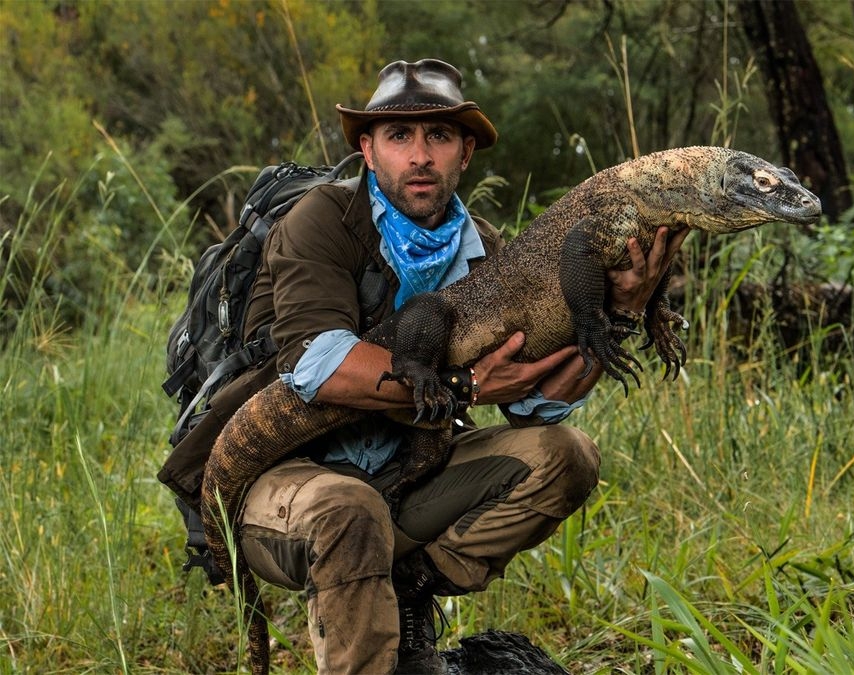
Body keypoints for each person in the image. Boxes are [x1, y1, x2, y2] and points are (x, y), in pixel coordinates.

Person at [215, 58, 684, 674]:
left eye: (438, 136)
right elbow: (318, 367)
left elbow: (535, 403)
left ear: (465, 153)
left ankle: (405, 588)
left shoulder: (488, 251)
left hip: (406, 470)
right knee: (347, 511)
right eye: (399, 136)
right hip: (288, 482)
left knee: (564, 453)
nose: (420, 155)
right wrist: (464, 387)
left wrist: (621, 309)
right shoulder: (323, 221)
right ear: (367, 148)